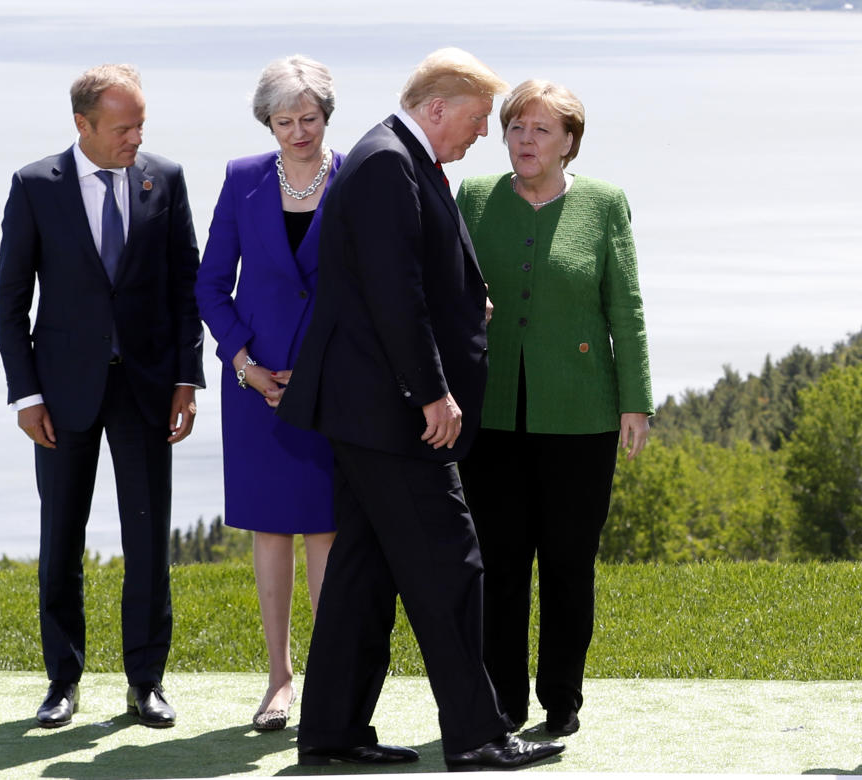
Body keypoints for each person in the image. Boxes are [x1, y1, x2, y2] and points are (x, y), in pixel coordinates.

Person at [277, 49, 565, 771]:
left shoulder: (397, 157)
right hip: (395, 415)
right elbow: (391, 296)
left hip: (373, 411)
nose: (478, 137)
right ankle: (475, 736)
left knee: (361, 577)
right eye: (472, 123)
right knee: (452, 565)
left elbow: (415, 277)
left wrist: (470, 304)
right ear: (437, 109)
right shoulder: (385, 162)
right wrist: (432, 393)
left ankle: (331, 734)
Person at [0, 64, 204, 729]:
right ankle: (62, 681)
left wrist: (186, 380)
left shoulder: (163, 179)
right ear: (82, 124)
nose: (136, 137)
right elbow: (10, 305)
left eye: (142, 123)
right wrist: (25, 395)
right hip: (60, 395)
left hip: (146, 389)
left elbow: (184, 289)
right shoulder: (34, 186)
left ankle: (146, 683)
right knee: (61, 539)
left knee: (148, 544)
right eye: (123, 126)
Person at [456, 79, 654, 737]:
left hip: (582, 415)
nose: (526, 141)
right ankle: (503, 703)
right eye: (516, 128)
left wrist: (636, 402)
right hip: (492, 415)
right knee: (501, 564)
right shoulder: (475, 197)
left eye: (542, 130)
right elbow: (445, 284)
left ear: (570, 142)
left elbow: (624, 307)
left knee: (569, 562)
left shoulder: (604, 204)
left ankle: (561, 700)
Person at [195, 55, 341, 732]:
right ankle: (279, 681)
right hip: (256, 388)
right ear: (268, 122)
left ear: (326, 116)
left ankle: (333, 679)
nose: (298, 132)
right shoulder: (242, 179)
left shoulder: (357, 177)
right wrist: (244, 363)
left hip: (334, 388)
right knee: (272, 530)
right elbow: (210, 285)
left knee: (327, 532)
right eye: (284, 121)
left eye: (308, 119)